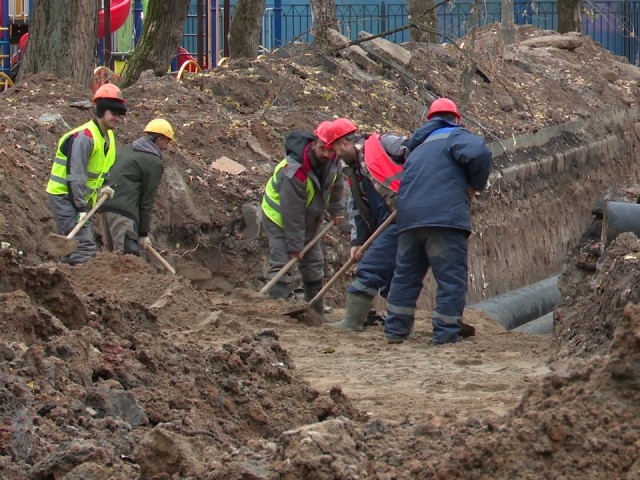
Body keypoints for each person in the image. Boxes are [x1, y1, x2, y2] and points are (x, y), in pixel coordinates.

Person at [383, 98, 492, 345]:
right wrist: (475, 185)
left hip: (409, 219)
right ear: (457, 118)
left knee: (405, 276)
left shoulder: (417, 147)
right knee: (451, 279)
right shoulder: (454, 135)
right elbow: (480, 152)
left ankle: (395, 332)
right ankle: (445, 336)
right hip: (443, 219)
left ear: (428, 120)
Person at [320, 118, 410, 332]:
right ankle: (402, 327)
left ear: (343, 143)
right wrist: (357, 241)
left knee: (370, 268)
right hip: (384, 223)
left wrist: (413, 191)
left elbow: (419, 153)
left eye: (335, 149)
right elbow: (356, 207)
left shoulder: (383, 144)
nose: (335, 155)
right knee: (392, 277)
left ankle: (352, 322)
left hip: (402, 217)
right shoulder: (353, 170)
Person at [260, 123, 346, 316]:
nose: (326, 153)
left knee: (314, 262)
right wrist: (296, 246)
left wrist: (336, 210)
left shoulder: (333, 163)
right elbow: (292, 212)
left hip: (309, 217)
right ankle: (275, 309)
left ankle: (315, 311)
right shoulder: (294, 170)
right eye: (322, 148)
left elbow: (337, 187)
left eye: (331, 150)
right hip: (279, 217)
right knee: (282, 261)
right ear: (313, 143)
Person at [45, 83, 127, 265]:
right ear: (102, 111)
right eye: (113, 113)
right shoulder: (85, 137)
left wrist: (104, 185)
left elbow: (103, 167)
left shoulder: (108, 137)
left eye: (120, 114)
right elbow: (76, 175)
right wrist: (81, 208)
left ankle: (65, 279)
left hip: (78, 197)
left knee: (72, 247)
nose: (117, 118)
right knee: (83, 246)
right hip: (64, 196)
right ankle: (84, 289)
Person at [100, 119, 174, 255]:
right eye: (167, 142)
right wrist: (143, 233)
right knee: (128, 259)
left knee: (112, 259)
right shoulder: (153, 162)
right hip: (123, 212)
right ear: (159, 140)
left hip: (104, 206)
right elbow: (147, 200)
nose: (166, 147)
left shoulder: (125, 150)